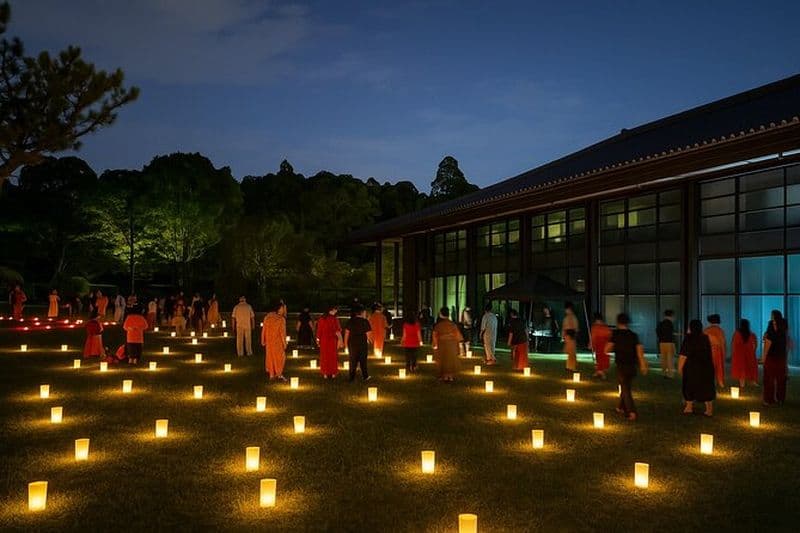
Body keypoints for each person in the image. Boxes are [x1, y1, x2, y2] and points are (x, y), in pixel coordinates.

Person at [605, 313, 648, 421]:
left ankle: (631, 412)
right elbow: (640, 352)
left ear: (618, 322)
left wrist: (614, 348)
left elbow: (607, 349)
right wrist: (643, 365)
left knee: (625, 389)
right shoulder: (634, 335)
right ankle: (620, 408)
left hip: (621, 365)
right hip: (632, 366)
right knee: (626, 386)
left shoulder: (615, 334)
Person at [678, 319, 716, 416]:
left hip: (692, 367)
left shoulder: (688, 339)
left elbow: (683, 355)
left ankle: (689, 407)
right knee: (706, 386)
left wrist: (680, 367)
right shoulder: (706, 337)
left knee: (689, 386)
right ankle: (709, 409)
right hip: (706, 366)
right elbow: (716, 345)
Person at [762, 309, 789, 405]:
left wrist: (763, 358)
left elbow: (768, 343)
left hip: (772, 356)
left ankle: (769, 399)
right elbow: (787, 341)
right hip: (780, 356)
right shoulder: (783, 328)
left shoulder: (772, 329)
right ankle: (780, 399)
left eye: (771, 315)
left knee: (769, 378)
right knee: (780, 379)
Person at [433, 306, 462, 382]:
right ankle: (450, 376)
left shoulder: (438, 325)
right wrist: (459, 346)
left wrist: (435, 345)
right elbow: (457, 336)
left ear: (441, 314)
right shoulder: (452, 325)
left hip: (442, 345)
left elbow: (435, 335)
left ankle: (444, 376)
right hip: (452, 345)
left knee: (443, 359)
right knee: (450, 359)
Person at [344, 304, 372, 382]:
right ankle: (365, 376)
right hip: (362, 344)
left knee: (352, 360)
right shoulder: (365, 321)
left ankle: (351, 377)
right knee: (363, 361)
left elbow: (347, 333)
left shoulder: (350, 321)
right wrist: (370, 340)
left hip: (352, 344)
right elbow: (368, 333)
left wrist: (346, 344)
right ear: (362, 312)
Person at [262, 301, 288, 381]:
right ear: (279, 309)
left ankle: (272, 374)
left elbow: (264, 330)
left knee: (271, 357)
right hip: (277, 341)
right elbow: (282, 332)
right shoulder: (281, 319)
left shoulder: (267, 317)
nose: (283, 310)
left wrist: (263, 340)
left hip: (269, 341)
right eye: (282, 308)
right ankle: (279, 373)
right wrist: (285, 343)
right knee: (280, 357)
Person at [316, 305, 342, 379]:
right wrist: (340, 340)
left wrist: (318, 340)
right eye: (335, 309)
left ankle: (325, 372)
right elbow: (338, 330)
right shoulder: (334, 319)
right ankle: (333, 372)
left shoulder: (321, 319)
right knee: (332, 357)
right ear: (331, 310)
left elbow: (319, 331)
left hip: (324, 340)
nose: (336, 311)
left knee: (324, 356)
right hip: (332, 340)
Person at [731, 318, 758, 389]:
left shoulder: (737, 334)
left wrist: (734, 354)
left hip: (739, 355)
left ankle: (742, 384)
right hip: (749, 354)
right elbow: (755, 345)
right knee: (750, 368)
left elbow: (734, 345)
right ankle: (753, 381)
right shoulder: (752, 335)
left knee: (741, 370)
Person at [704, 314, 727, 389]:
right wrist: (724, 353)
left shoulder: (706, 330)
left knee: (708, 367)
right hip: (718, 351)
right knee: (719, 367)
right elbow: (722, 343)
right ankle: (720, 382)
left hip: (708, 351)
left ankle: (709, 382)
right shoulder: (720, 331)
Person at [591, 312, 612, 379]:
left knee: (601, 359)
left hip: (602, 345)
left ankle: (601, 373)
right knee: (599, 359)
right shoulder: (604, 327)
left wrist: (591, 344)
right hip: (601, 345)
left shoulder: (597, 327)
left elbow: (593, 337)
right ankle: (599, 372)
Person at [656, 310, 676, 378]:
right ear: (671, 315)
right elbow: (671, 333)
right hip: (669, 342)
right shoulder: (670, 323)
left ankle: (663, 372)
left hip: (662, 342)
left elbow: (657, 332)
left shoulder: (661, 323)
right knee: (670, 358)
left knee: (663, 358)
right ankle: (670, 374)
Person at [562, 302, 579, 376]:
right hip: (568, 335)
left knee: (572, 352)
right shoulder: (568, 318)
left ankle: (571, 366)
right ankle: (570, 366)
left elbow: (575, 328)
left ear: (569, 309)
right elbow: (564, 328)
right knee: (570, 352)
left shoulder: (572, 317)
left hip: (571, 335)